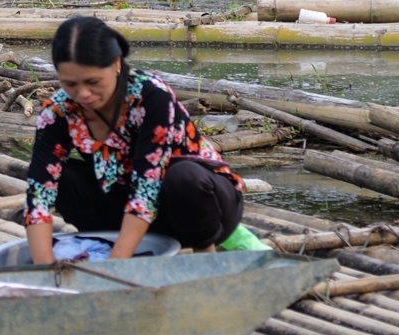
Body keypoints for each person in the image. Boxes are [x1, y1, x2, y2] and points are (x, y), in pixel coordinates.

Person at [23, 15, 245, 264]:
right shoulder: (57, 111)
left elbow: (147, 186)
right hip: (127, 211)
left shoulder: (150, 96)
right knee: (62, 178)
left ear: (116, 63)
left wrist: (116, 266)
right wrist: (43, 270)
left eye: (93, 82)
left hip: (200, 210)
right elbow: (40, 194)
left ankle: (205, 257)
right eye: (70, 84)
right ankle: (117, 244)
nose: (82, 94)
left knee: (183, 178)